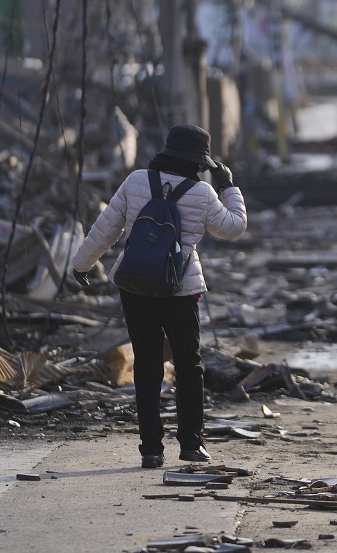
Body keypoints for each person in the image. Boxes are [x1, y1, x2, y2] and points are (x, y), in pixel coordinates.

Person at [69, 124, 247, 469]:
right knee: (188, 365)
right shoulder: (203, 193)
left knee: (147, 365)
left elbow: (106, 227)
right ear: (200, 162)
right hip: (180, 290)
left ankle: (151, 449)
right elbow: (234, 227)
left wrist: (82, 264)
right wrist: (228, 186)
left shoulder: (136, 181)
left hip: (135, 286)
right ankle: (191, 445)